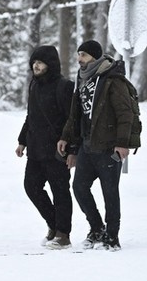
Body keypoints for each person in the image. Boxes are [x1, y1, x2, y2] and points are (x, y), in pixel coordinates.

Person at [57, 40, 134, 251]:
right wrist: (66, 137)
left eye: (83, 55)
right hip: (87, 146)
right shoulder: (82, 79)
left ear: (95, 57)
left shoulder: (112, 79)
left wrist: (122, 143)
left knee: (110, 192)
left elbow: (125, 113)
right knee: (79, 188)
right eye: (78, 54)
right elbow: (75, 114)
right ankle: (97, 228)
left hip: (109, 147)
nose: (79, 59)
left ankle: (112, 237)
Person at [15, 45, 75, 249]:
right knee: (31, 186)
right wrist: (22, 141)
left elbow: (72, 120)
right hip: (35, 149)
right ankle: (53, 224)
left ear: (50, 63)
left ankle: (63, 235)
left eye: (40, 62)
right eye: (34, 62)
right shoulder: (34, 85)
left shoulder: (64, 86)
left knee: (60, 192)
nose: (36, 66)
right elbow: (31, 116)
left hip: (57, 151)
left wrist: (71, 148)